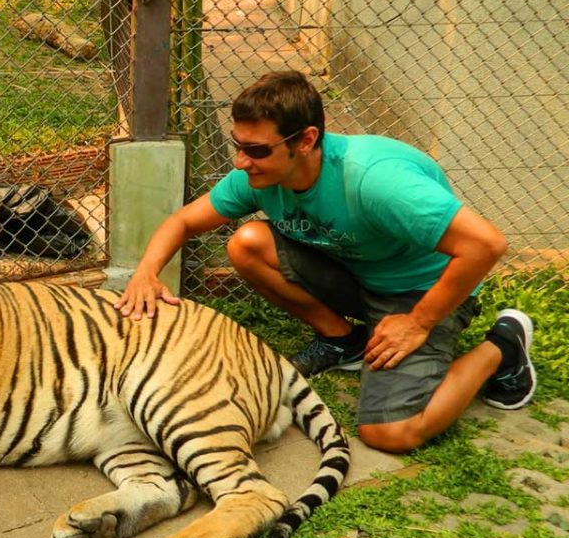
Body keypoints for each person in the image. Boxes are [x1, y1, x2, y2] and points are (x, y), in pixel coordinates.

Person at [114, 70, 535, 454]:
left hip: (421, 293)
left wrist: (419, 322)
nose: (241, 161)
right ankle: (342, 339)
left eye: (256, 150)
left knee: (389, 433)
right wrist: (146, 274)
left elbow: (486, 245)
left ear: (306, 139)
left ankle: (502, 346)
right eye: (237, 146)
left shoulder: (375, 180)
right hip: (357, 273)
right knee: (246, 243)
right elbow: (184, 221)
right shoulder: (260, 177)